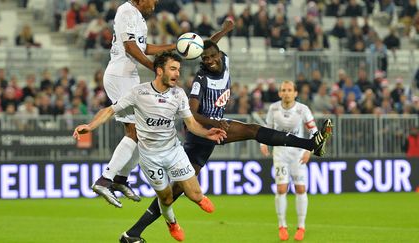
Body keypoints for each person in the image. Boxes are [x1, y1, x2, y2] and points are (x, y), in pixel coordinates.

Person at [120, 22, 333, 243]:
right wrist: (214, 123)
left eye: (213, 57)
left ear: (220, 54)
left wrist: (224, 30)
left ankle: (133, 233)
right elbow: (191, 113)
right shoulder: (200, 80)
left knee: (175, 191)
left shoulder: (224, 59)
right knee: (253, 131)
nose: (210, 61)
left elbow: (210, 44)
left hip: (213, 128)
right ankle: (311, 144)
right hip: (201, 130)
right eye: (205, 59)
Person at [74, 52, 226, 241]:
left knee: (196, 195)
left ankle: (197, 198)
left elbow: (192, 124)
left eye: (178, 69)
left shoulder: (178, 94)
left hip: (173, 152)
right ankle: (172, 223)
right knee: (166, 198)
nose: (177, 74)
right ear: (159, 70)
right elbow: (109, 110)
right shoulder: (139, 92)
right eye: (173, 69)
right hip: (150, 158)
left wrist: (207, 132)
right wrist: (89, 126)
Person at [92, 0, 176, 208]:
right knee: (135, 131)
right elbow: (130, 47)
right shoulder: (126, 11)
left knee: (142, 132)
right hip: (120, 75)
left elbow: (143, 47)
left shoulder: (138, 17)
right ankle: (105, 180)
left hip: (129, 76)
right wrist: (156, 68)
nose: (155, 3)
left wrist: (173, 46)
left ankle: (120, 179)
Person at [260, 80, 319, 241]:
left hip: (298, 153)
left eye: (289, 90)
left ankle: (301, 226)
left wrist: (309, 150)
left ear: (295, 93)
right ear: (279, 93)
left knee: (300, 189)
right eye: (283, 90)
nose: (286, 92)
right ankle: (282, 225)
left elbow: (313, 131)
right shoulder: (273, 108)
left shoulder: (302, 109)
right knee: (281, 189)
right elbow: (268, 128)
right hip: (280, 152)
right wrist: (264, 143)